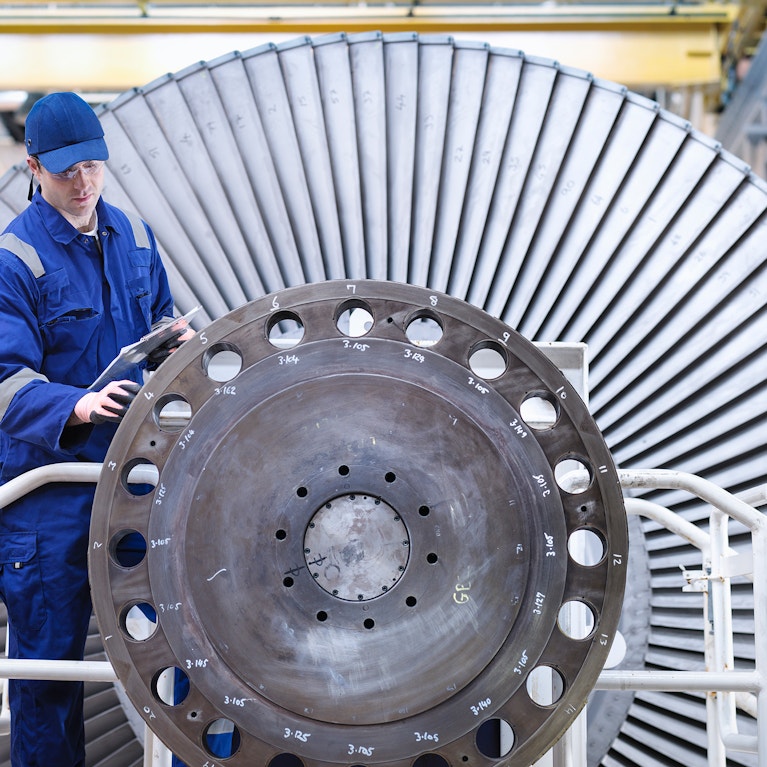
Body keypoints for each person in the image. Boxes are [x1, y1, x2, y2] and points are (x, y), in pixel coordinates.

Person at [0, 92, 190, 766]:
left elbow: (159, 319)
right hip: (48, 495)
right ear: (34, 168)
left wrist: (174, 343)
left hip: (135, 480)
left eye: (92, 166)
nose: (83, 183)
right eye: (65, 171)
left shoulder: (134, 237)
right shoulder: (14, 259)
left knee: (187, 642)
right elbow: (4, 379)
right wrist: (75, 408)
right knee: (48, 671)